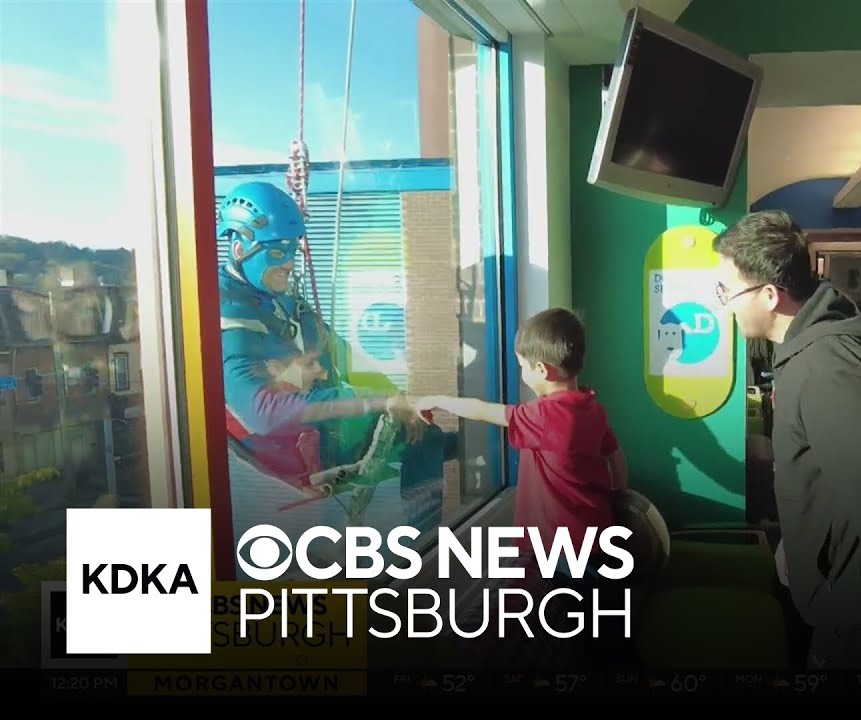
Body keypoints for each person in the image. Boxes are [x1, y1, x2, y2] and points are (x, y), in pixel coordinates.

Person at [712, 210, 861, 671]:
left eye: (727, 292)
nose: (724, 304)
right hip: (840, 588)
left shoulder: (828, 370)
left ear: (770, 295)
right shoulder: (805, 351)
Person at [217, 181, 456, 526]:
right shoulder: (229, 316)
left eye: (291, 250)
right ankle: (428, 542)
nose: (288, 262)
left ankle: (460, 456)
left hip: (319, 428)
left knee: (426, 434)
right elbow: (262, 414)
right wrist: (377, 401)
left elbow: (344, 356)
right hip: (296, 446)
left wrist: (394, 394)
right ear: (239, 249)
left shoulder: (283, 302)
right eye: (275, 252)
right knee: (429, 441)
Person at [416, 308, 629, 661]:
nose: (522, 372)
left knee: (487, 641)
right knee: (591, 640)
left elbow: (482, 410)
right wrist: (618, 497)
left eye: (522, 365)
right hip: (595, 547)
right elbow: (616, 460)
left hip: (556, 557)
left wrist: (437, 401)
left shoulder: (546, 415)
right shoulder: (592, 407)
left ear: (541, 369)